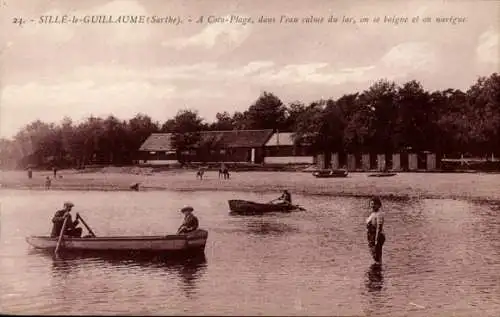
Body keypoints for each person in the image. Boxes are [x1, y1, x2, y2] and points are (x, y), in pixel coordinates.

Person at [366, 196, 386, 264]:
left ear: (379, 205)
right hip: (372, 236)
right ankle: (378, 270)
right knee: (376, 255)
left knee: (376, 255)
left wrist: (376, 240)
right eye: (371, 204)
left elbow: (379, 227)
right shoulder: (373, 213)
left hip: (377, 236)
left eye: (374, 204)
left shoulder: (379, 214)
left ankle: (378, 270)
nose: (372, 205)